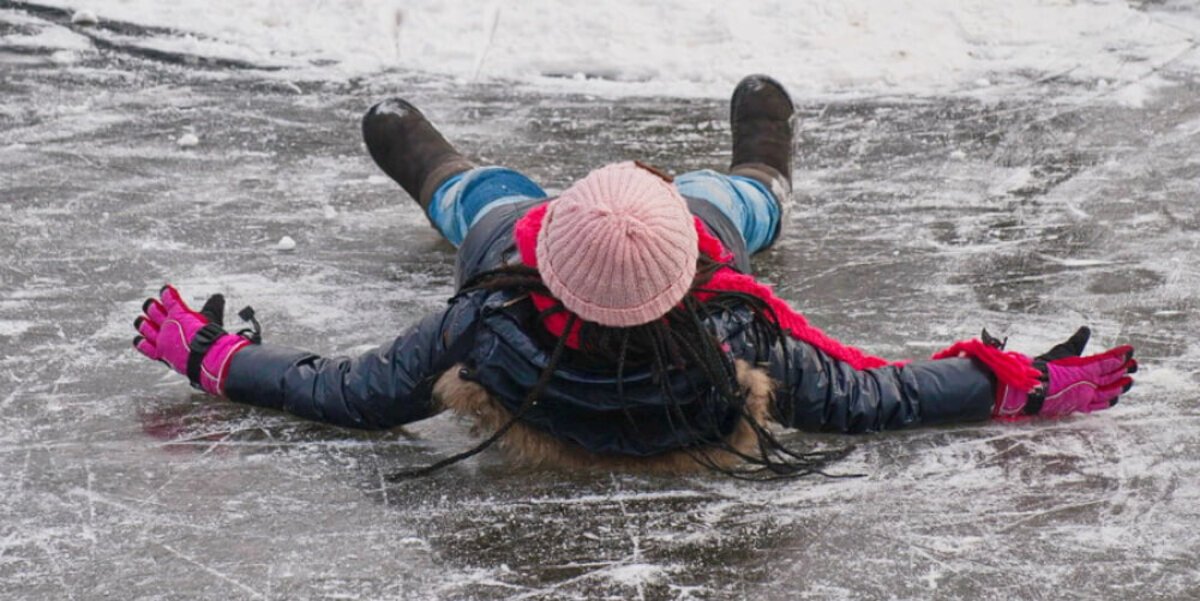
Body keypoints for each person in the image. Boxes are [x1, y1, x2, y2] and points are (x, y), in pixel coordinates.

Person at [131, 76, 1137, 480]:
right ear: (692, 275)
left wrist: (218, 357)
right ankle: (764, 166)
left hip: (515, 258)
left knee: (484, 205)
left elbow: (349, 395)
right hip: (668, 254)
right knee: (724, 199)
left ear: (547, 256)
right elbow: (873, 396)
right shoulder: (736, 329)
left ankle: (434, 167)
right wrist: (1014, 384)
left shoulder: (487, 320)